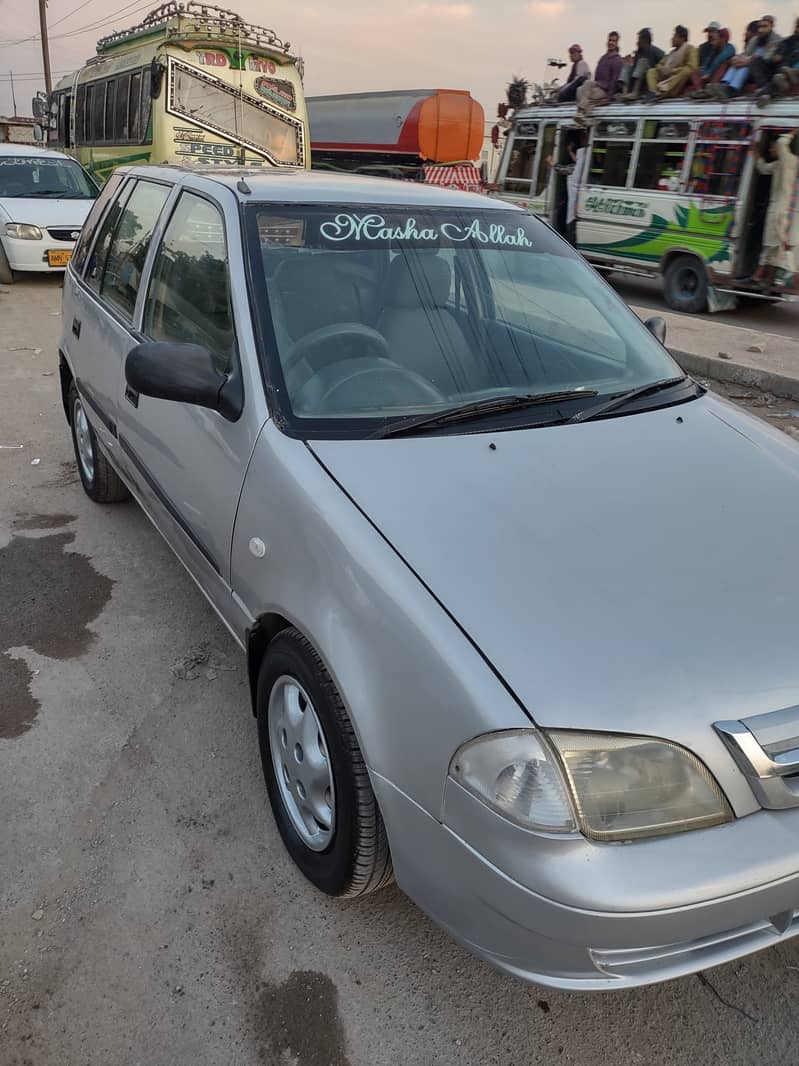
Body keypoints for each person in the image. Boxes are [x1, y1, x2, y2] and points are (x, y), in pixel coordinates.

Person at [751, 133, 799, 288]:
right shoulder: (779, 164)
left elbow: (781, 141)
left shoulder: (789, 160)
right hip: (780, 209)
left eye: (772, 147)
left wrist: (793, 131)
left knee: (771, 243)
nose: (771, 149)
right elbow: (763, 168)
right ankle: (769, 277)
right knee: (775, 245)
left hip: (780, 210)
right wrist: (756, 152)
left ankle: (760, 272)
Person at [711, 16, 782, 98]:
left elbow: (767, 58)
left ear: (771, 26)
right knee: (737, 62)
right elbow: (746, 53)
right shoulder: (755, 39)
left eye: (765, 26)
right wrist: (737, 59)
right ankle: (725, 85)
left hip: (765, 70)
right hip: (751, 67)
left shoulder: (776, 40)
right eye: (760, 26)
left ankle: (732, 90)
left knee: (747, 65)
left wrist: (747, 61)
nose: (761, 29)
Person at [546, 130, 588, 246]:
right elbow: (577, 161)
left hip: (574, 210)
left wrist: (552, 162)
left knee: (570, 238)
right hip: (576, 207)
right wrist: (570, 151)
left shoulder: (577, 166)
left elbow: (564, 169)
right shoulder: (584, 160)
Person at [576, 31, 623, 120]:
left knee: (586, 87)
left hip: (606, 90)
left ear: (617, 43)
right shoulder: (603, 58)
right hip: (598, 86)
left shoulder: (617, 60)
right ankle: (585, 112)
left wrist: (609, 97)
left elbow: (614, 80)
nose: (611, 43)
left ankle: (581, 112)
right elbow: (597, 77)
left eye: (614, 41)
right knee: (579, 90)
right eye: (610, 40)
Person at [645, 25, 699, 99]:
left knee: (686, 71)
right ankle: (653, 92)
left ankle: (664, 92)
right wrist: (662, 69)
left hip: (677, 78)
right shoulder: (671, 53)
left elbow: (692, 67)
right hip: (666, 76)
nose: (672, 39)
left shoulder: (690, 49)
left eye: (675, 36)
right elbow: (660, 64)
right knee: (651, 71)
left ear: (682, 38)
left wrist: (672, 71)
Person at [618, 28, 664, 99]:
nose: (637, 42)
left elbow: (663, 66)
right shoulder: (638, 53)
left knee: (642, 62)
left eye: (639, 39)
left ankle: (635, 92)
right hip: (637, 80)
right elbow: (634, 70)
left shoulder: (656, 52)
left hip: (648, 81)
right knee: (627, 66)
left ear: (645, 40)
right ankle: (625, 93)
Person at [690, 23, 735, 92]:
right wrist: (703, 72)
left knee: (725, 63)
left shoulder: (730, 47)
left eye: (712, 32)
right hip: (708, 75)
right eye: (708, 32)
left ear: (720, 36)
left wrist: (708, 73)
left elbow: (720, 59)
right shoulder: (705, 47)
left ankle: (712, 87)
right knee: (695, 71)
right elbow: (705, 64)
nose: (710, 35)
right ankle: (700, 91)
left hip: (719, 76)